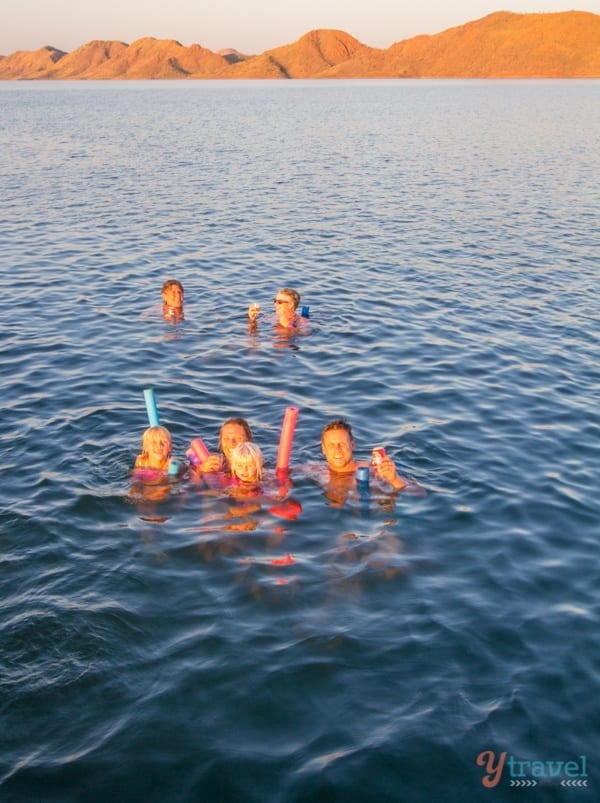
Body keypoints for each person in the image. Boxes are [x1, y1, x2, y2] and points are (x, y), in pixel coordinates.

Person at [321, 419, 408, 490]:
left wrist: (394, 480)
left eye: (342, 444)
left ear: (352, 445)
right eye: (331, 445)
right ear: (323, 449)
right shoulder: (315, 470)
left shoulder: (373, 470)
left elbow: (418, 492)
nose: (337, 450)